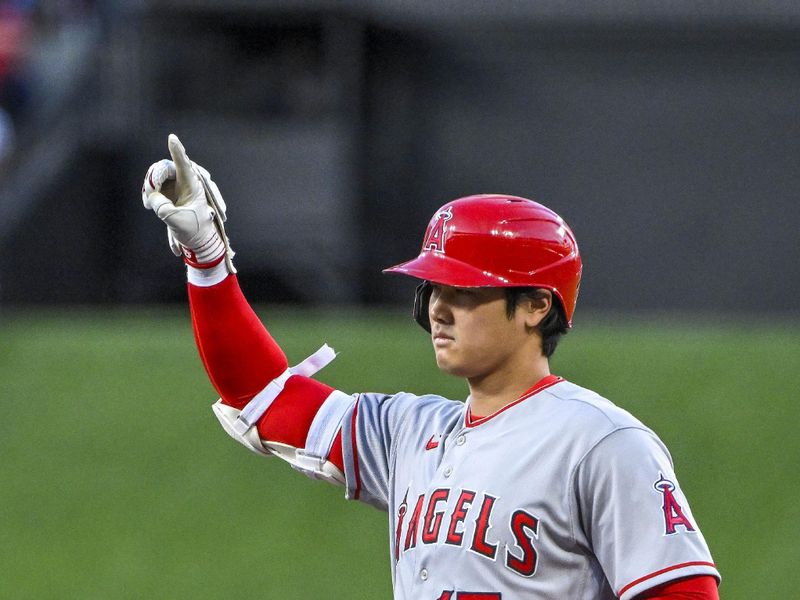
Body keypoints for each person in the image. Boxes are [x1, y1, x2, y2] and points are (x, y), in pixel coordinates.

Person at [143, 135, 720, 599]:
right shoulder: (406, 433)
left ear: (537, 306)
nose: (438, 308)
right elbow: (263, 397)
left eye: (466, 290)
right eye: (433, 288)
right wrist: (208, 262)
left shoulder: (602, 443)